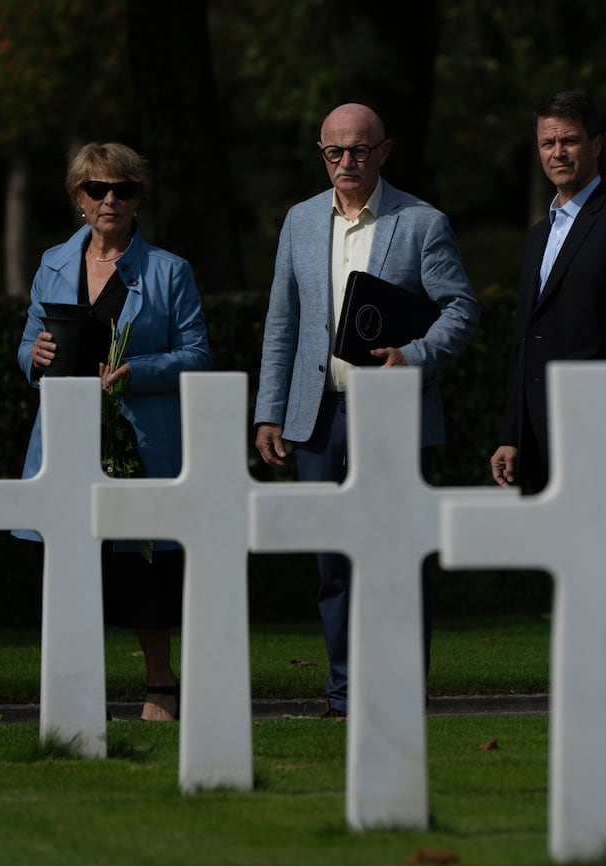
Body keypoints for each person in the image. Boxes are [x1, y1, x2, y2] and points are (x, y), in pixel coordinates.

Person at [254, 103, 479, 716]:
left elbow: (461, 310)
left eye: (358, 150)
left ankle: (403, 690)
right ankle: (345, 693)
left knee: (399, 556)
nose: (346, 162)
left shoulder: (421, 223)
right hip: (317, 417)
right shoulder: (299, 221)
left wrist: (413, 355)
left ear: (384, 151)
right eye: (334, 152)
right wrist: (268, 411)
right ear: (321, 154)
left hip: (392, 415)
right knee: (332, 565)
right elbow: (284, 322)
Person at [16, 142, 211, 722]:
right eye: (97, 189)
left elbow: (197, 355)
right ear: (78, 197)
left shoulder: (170, 271)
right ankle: (77, 688)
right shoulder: (52, 262)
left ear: (137, 198)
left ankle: (161, 686)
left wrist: (139, 373)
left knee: (141, 565)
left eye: (123, 189)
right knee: (70, 565)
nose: (109, 200)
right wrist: (35, 355)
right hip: (66, 438)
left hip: (138, 441)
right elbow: (29, 345)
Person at [488, 90, 606, 715]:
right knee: (570, 569)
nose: (557, 152)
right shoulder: (540, 235)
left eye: (567, 140)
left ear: (596, 144)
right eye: (546, 142)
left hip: (598, 435)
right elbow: (524, 340)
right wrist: (512, 430)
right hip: (542, 431)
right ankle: (589, 689)